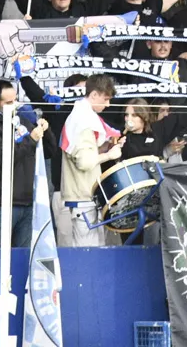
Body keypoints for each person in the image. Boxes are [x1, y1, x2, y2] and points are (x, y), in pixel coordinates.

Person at [0, 81, 48, 248]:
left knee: (23, 258)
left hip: (28, 201)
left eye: (15, 100)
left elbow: (49, 152)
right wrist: (31, 140)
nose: (14, 105)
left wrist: (46, 129)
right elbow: (1, 158)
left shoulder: (22, 121)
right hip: (2, 203)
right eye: (9, 102)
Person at [57, 75, 124, 247]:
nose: (108, 105)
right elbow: (85, 163)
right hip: (83, 199)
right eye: (106, 99)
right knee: (89, 251)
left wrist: (106, 148)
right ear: (94, 95)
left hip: (84, 198)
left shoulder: (81, 117)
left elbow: (86, 154)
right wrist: (109, 155)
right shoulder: (83, 122)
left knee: (93, 249)